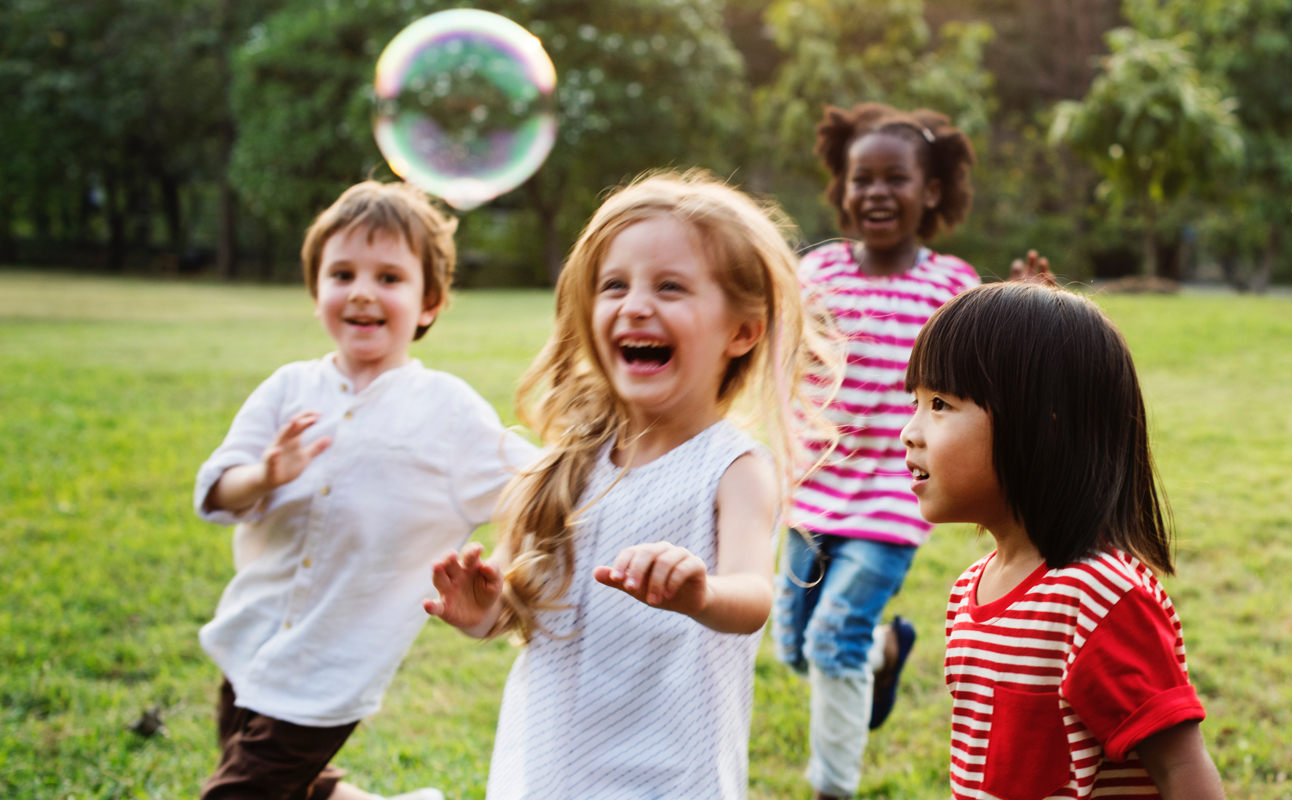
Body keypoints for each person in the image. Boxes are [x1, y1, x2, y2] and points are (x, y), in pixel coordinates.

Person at [421, 170, 839, 800]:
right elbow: (518, 601)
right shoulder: (566, 464)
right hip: (550, 764)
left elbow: (753, 595)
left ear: (742, 331)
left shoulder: (732, 466)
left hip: (666, 772)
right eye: (614, 285)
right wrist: (483, 612)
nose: (635, 304)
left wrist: (701, 593)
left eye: (671, 287)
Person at [193, 181, 536, 800]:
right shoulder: (287, 389)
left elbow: (540, 482)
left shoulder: (447, 412)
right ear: (317, 289)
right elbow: (218, 490)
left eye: (388, 278)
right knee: (292, 783)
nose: (361, 292)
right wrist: (267, 475)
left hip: (331, 665)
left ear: (428, 302)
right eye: (342, 273)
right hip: (250, 636)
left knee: (237, 793)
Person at [902, 281, 1226, 800]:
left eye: (939, 404)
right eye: (914, 402)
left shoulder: (1101, 598)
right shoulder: (969, 591)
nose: (909, 431)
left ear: (1041, 428)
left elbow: (1179, 769)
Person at [775, 102, 993, 800]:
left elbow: (990, 356)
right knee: (794, 647)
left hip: (894, 498)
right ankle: (888, 648)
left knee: (831, 638)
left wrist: (1026, 298)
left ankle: (831, 788)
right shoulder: (818, 273)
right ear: (840, 189)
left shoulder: (951, 285)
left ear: (929, 191)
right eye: (859, 177)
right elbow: (782, 350)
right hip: (813, 490)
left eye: (894, 178)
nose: (874, 191)